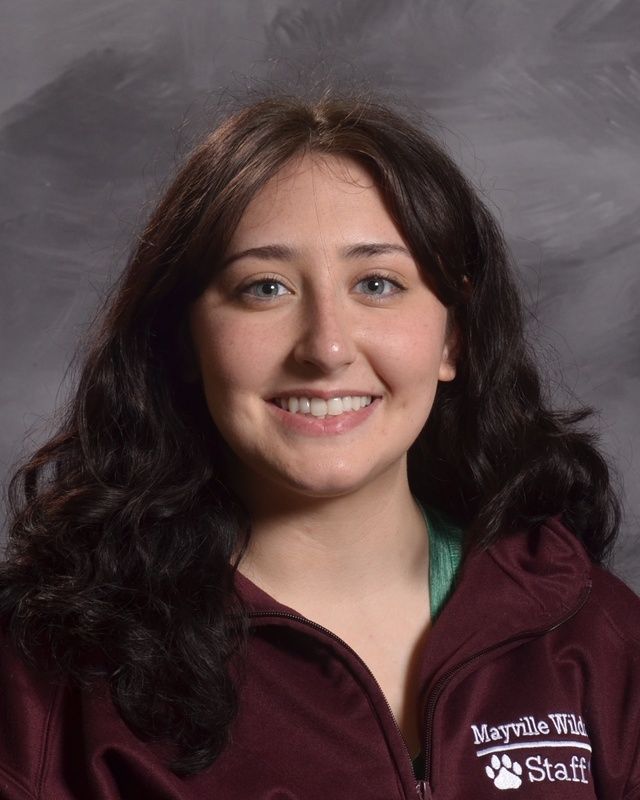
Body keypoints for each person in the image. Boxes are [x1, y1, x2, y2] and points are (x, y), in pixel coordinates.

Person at [0, 88, 638, 800]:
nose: (326, 347)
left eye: (377, 283)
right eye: (265, 287)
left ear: (454, 335)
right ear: (186, 340)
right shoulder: (47, 682)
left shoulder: (592, 632)